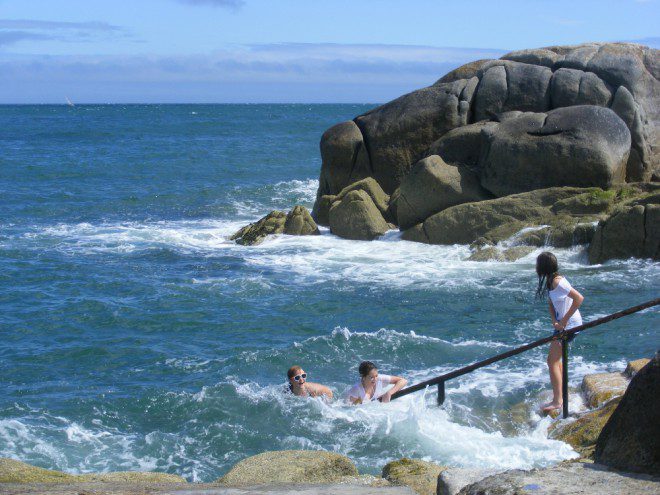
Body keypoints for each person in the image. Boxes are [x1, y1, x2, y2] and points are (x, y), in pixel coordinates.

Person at [535, 251, 584, 413]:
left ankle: (557, 401)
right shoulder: (550, 281)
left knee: (552, 361)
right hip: (562, 326)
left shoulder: (558, 281)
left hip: (570, 325)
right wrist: (554, 321)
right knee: (556, 360)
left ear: (543, 266)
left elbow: (579, 298)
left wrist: (563, 321)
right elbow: (551, 303)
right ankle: (562, 395)